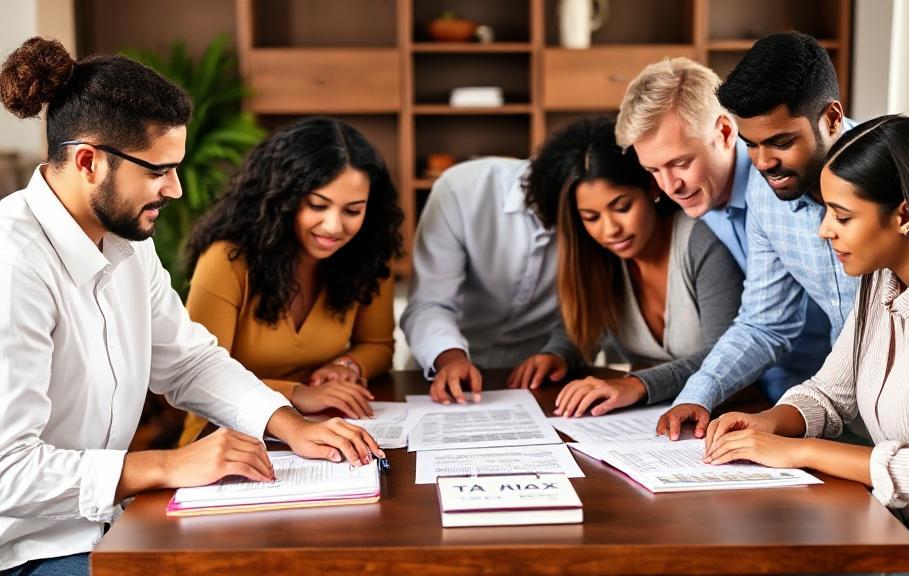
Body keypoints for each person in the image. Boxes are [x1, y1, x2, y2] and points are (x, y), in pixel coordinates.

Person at [0, 38, 382, 575]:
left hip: (108, 524)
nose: (176, 189)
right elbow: (6, 474)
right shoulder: (12, 264)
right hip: (28, 548)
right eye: (159, 170)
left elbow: (189, 361)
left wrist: (287, 422)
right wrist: (168, 465)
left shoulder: (127, 245)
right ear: (88, 161)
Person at [703, 115, 909, 576]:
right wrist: (768, 423)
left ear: (905, 214)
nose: (825, 230)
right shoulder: (883, 280)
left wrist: (799, 451)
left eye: (843, 216)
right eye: (827, 211)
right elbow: (831, 394)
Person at [650, 32, 860, 440]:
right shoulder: (766, 192)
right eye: (752, 145)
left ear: (832, 118)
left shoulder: (902, 172)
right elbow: (767, 324)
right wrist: (699, 393)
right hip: (840, 408)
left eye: (782, 142)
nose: (764, 163)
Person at [616, 55, 834, 406]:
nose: (670, 185)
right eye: (654, 170)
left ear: (725, 131)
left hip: (843, 394)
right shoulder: (698, 199)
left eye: (681, 163)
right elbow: (764, 321)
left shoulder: (792, 176)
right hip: (768, 396)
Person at [177, 117, 403, 445]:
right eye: (317, 205)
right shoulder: (227, 260)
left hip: (319, 426)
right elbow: (201, 379)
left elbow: (378, 346)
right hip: (223, 436)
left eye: (352, 211)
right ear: (282, 198)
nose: (333, 226)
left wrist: (347, 365)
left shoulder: (369, 254)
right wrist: (298, 394)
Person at [522, 117, 743, 417]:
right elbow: (583, 327)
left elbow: (729, 357)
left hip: (734, 409)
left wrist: (638, 384)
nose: (610, 229)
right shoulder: (601, 257)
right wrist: (557, 354)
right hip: (655, 421)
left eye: (622, 207)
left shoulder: (701, 240)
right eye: (591, 217)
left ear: (651, 188)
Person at [400, 156, 580, 405]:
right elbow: (428, 302)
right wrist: (450, 359)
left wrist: (559, 352)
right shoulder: (461, 189)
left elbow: (593, 310)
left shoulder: (596, 213)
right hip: (441, 376)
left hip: (541, 384)